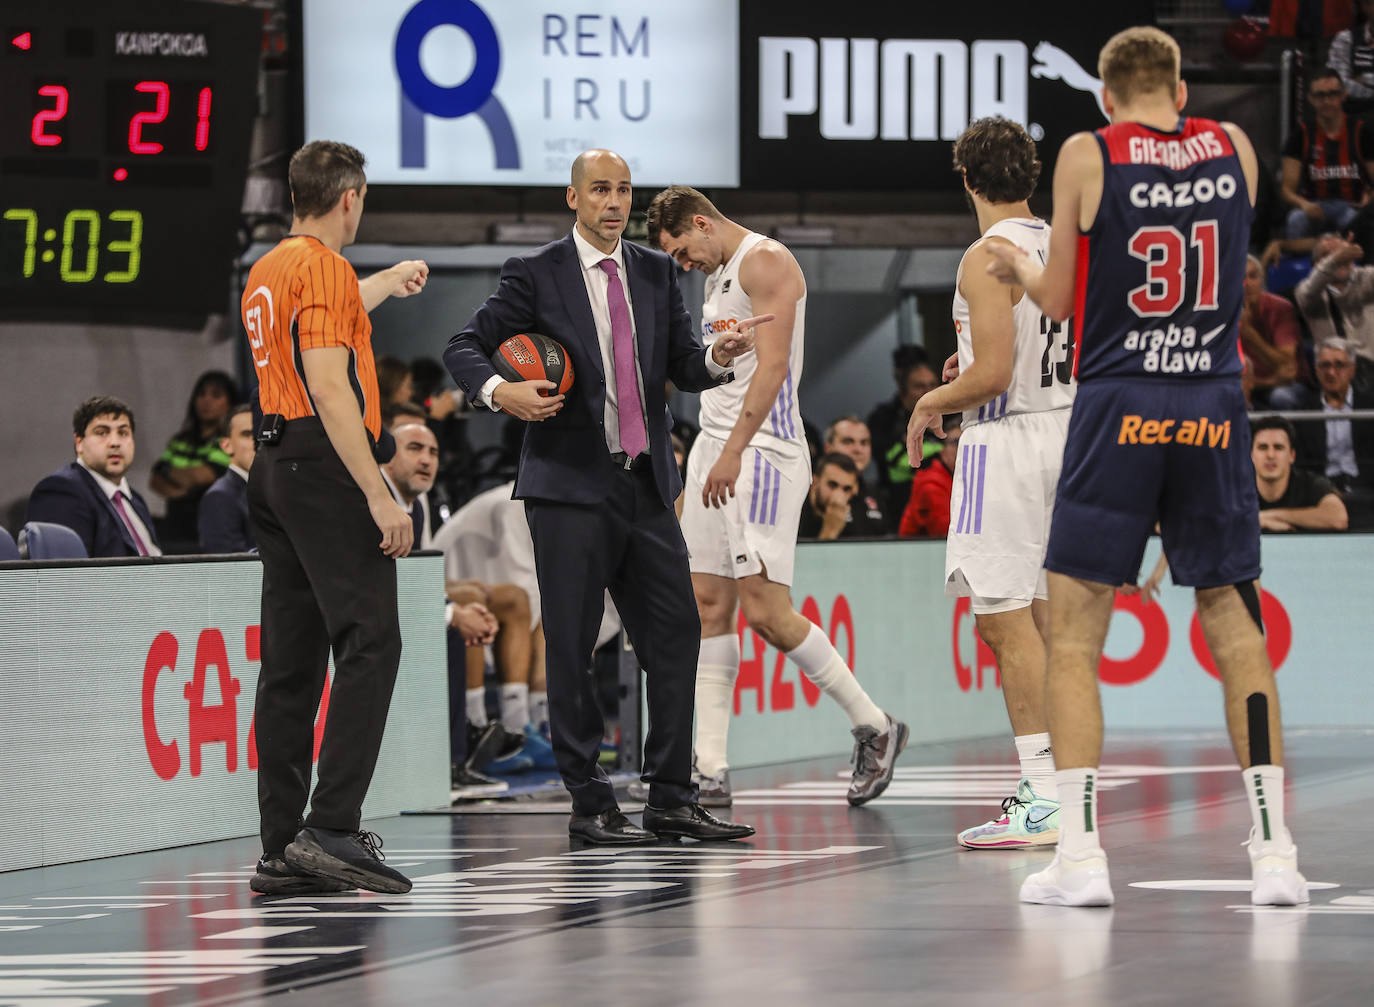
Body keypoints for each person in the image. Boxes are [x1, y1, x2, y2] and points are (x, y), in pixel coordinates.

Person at [987, 26, 1308, 907]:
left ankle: (1082, 858)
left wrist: (1013, 256)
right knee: (1236, 624)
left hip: (1120, 398)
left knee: (1077, 632)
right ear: (1179, 91)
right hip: (1211, 399)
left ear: (1104, 95)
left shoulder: (1089, 153)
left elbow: (1056, 300)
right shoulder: (1236, 147)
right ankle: (1275, 852)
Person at [444, 149, 758, 845]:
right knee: (573, 644)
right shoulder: (533, 273)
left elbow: (682, 364)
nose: (614, 202)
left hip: (645, 483)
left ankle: (672, 795)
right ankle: (590, 801)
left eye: (622, 190)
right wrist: (502, 392)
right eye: (600, 190)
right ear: (574, 197)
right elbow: (465, 345)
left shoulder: (653, 271)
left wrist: (718, 356)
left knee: (676, 635)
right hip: (567, 487)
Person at [645, 185, 907, 807]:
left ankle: (876, 726)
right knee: (708, 604)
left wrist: (734, 448)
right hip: (716, 443)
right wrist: (715, 446)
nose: (683, 265)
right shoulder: (715, 277)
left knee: (765, 611)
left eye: (682, 251)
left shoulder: (767, 261)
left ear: (702, 224)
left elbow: (773, 367)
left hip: (763, 451)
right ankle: (710, 769)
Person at [241, 139, 429, 896]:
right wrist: (380, 493)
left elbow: (318, 324)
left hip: (273, 465)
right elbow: (328, 383)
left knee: (289, 666)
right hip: (324, 466)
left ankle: (283, 844)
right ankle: (334, 826)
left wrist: (379, 282)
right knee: (371, 640)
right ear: (349, 197)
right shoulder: (323, 270)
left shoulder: (272, 266)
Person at [903, 117, 1075, 850]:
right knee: (1046, 622)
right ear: (1029, 179)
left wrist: (932, 401)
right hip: (1068, 430)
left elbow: (997, 375)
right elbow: (1018, 352)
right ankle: (1065, 787)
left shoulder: (986, 252)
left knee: (1004, 621)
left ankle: (1041, 795)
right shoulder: (1058, 246)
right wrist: (965, 370)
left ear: (967, 179)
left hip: (1007, 443)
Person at [28, 395, 162, 558]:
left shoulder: (136, 500)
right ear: (79, 443)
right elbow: (67, 576)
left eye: (123, 433)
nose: (115, 442)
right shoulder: (61, 491)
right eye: (102, 433)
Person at [149, 370, 239, 552]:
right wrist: (180, 493)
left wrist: (168, 471)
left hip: (212, 525)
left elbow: (202, 476)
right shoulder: (180, 440)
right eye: (201, 394)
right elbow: (155, 480)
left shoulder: (228, 441)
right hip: (176, 526)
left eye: (216, 395)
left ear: (229, 403)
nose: (207, 401)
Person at [1279, 68, 1374, 240]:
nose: (1327, 101)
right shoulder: (1300, 135)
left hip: (1352, 208)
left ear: (1344, 95)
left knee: (1356, 221)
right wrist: (1304, 205)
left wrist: (1368, 204)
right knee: (1295, 221)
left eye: (1333, 94)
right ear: (1310, 99)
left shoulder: (1361, 132)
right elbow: (1286, 189)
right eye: (1320, 96)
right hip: (1314, 206)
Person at [866, 347, 939, 520]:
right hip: (898, 505)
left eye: (932, 385)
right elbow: (892, 460)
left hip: (945, 500)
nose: (927, 392)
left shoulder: (954, 415)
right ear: (902, 391)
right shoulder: (883, 418)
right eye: (919, 386)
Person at [1292, 232, 1374, 376]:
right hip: (1335, 376)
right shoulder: (1306, 292)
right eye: (1326, 255)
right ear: (1316, 265)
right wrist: (1334, 260)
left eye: (1341, 253)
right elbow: (1310, 290)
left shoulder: (1367, 278)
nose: (1339, 259)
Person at [1252, 415, 1350, 531]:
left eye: (1278, 448)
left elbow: (1338, 518)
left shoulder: (1311, 483)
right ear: (1252, 455)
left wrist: (1266, 516)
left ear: (1292, 456)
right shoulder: (1235, 487)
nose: (1270, 455)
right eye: (1263, 447)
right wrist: (1259, 522)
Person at [1239, 255, 1304, 407]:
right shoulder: (1222, 312)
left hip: (1284, 386)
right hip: (1245, 385)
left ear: (1262, 279)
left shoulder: (1280, 308)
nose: (1247, 283)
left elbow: (1287, 366)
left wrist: (1248, 332)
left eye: (1253, 276)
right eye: (1241, 278)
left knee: (1281, 397)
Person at [198, 404, 257, 553]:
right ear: (226, 445)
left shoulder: (274, 490)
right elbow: (229, 567)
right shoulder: (220, 497)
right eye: (247, 434)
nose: (257, 441)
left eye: (261, 433)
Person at [797, 452, 887, 541]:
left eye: (847, 489)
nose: (839, 495)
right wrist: (830, 530)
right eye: (832, 485)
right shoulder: (798, 510)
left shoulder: (858, 507)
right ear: (815, 483)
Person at [823, 415, 890, 531]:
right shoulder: (815, 492)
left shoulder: (875, 493)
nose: (858, 449)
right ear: (828, 448)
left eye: (864, 443)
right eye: (848, 442)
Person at [899, 418, 961, 538]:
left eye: (966, 441)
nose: (962, 447)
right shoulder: (931, 483)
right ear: (942, 450)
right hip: (916, 552)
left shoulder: (962, 479)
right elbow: (946, 531)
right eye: (956, 442)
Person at [1326, 1, 1374, 108]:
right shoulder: (1345, 39)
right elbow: (1337, 85)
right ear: (1365, 6)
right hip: (1356, 117)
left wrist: (1364, 78)